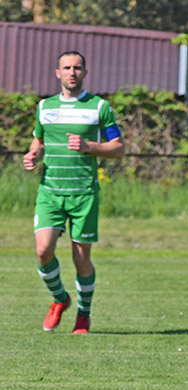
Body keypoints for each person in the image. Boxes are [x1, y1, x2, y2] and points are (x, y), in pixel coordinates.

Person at [24, 50, 125, 334]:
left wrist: (89, 146)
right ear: (57, 73)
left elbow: (119, 149)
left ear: (85, 72)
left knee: (81, 258)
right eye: (66, 68)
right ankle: (60, 299)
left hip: (83, 194)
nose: (72, 72)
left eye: (77, 67)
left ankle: (83, 315)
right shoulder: (45, 107)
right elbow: (38, 142)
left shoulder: (99, 107)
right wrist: (33, 156)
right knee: (43, 251)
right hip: (50, 191)